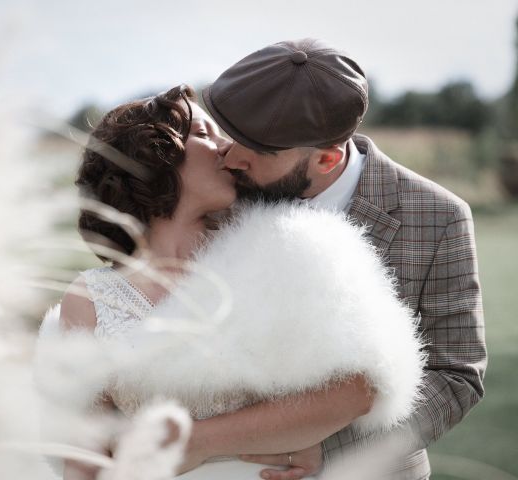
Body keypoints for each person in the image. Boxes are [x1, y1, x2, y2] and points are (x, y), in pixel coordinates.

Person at [39, 82, 426, 480]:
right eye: (206, 135)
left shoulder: (285, 252)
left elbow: (358, 388)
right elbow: (84, 461)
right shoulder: (91, 299)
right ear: (154, 156)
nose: (228, 148)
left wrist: (198, 440)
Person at [185, 37, 487, 480]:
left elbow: (456, 374)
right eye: (233, 136)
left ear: (327, 158)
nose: (231, 156)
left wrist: (320, 449)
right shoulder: (224, 197)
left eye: (259, 150)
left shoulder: (439, 216)